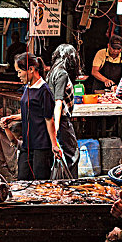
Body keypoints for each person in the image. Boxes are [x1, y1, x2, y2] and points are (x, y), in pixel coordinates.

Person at [0, 52, 61, 180]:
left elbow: (49, 119)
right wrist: (12, 118)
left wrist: (54, 145)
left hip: (41, 145)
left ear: (31, 69)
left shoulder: (44, 91)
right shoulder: (28, 87)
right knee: (22, 180)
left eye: (19, 72)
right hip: (27, 144)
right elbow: (31, 112)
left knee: (40, 184)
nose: (18, 76)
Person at [46, 44, 81, 178]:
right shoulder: (62, 73)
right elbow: (58, 102)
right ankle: (72, 186)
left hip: (55, 120)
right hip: (62, 120)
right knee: (73, 155)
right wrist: (56, 126)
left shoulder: (52, 72)